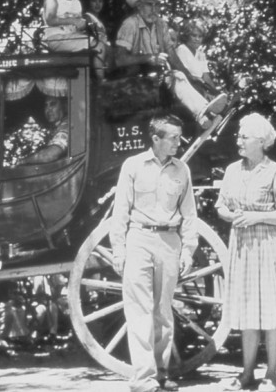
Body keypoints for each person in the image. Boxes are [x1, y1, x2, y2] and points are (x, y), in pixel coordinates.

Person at [109, 113, 198, 392]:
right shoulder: (132, 166)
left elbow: (190, 213)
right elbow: (120, 210)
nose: (178, 143)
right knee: (139, 311)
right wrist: (118, 250)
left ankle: (162, 372)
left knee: (163, 311)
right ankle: (144, 380)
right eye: (172, 138)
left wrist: (188, 251)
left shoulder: (182, 169)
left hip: (170, 242)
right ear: (156, 139)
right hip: (139, 239)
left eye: (179, 137)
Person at [216, 113, 276, 392]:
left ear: (262, 142)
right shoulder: (231, 171)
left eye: (244, 136)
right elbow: (221, 206)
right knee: (247, 312)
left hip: (268, 246)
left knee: (271, 314)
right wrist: (231, 216)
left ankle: (272, 374)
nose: (237, 139)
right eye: (238, 135)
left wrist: (256, 218)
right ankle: (247, 373)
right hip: (241, 247)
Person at [115, 0, 228, 130]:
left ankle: (208, 115)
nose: (154, 9)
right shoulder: (130, 25)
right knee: (177, 77)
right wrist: (149, 58)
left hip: (157, 77)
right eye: (150, 5)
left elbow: (171, 55)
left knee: (186, 77)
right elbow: (119, 59)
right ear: (139, 6)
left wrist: (190, 76)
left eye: (157, 5)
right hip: (135, 78)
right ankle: (203, 114)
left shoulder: (161, 24)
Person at [42, 0, 106, 81]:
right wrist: (73, 21)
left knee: (100, 44)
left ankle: (91, 79)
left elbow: (78, 26)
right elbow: (50, 20)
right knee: (98, 46)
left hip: (71, 37)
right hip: (56, 38)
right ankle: (102, 81)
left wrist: (89, 27)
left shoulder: (76, 2)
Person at [17, 96, 69, 165]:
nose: (48, 109)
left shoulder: (67, 124)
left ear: (63, 106)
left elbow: (51, 154)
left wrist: (23, 161)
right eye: (46, 105)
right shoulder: (54, 128)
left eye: (53, 104)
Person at [176, 19, 218, 99]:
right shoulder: (182, 49)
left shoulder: (201, 54)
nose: (197, 39)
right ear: (187, 35)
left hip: (200, 90)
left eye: (200, 36)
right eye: (194, 35)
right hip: (187, 90)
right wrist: (204, 93)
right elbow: (186, 77)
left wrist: (216, 93)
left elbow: (206, 77)